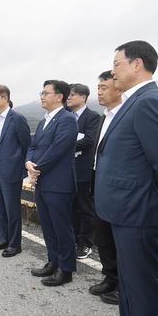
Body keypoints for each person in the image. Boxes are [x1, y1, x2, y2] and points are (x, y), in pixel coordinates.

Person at [91, 41, 158, 316]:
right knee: (129, 282)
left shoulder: (148, 101)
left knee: (142, 288)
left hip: (137, 211)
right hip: (122, 209)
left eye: (117, 64)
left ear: (137, 64)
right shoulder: (135, 100)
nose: (113, 71)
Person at [26, 80, 78, 286]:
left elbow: (58, 149)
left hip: (59, 183)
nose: (41, 96)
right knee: (47, 225)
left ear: (59, 97)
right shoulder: (43, 121)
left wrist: (36, 167)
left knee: (61, 227)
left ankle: (66, 269)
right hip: (42, 181)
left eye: (45, 93)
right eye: (41, 92)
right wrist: (29, 162)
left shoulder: (67, 119)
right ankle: (52, 261)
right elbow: (33, 145)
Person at [88, 71, 123, 305]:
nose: (99, 92)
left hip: (118, 188)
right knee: (103, 236)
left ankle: (123, 284)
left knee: (120, 239)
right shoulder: (104, 116)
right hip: (97, 182)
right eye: (98, 87)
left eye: (104, 87)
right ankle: (110, 276)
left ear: (119, 88)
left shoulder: (126, 115)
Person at [0, 85, 31, 257]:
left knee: (11, 208)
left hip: (11, 169)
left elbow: (26, 144)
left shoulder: (17, 119)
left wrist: (20, 167)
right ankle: (3, 238)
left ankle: (15, 244)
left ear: (4, 98)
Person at [66, 83, 101, 259]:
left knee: (85, 208)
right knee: (71, 207)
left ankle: (86, 243)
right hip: (66, 170)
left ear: (83, 97)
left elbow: (89, 140)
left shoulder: (93, 117)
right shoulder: (66, 116)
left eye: (72, 95)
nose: (69, 98)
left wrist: (64, 145)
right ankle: (74, 238)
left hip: (82, 170)